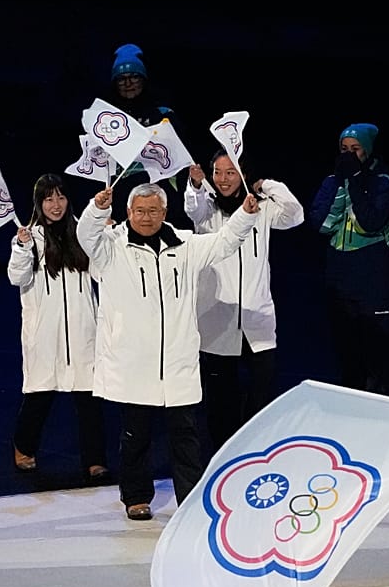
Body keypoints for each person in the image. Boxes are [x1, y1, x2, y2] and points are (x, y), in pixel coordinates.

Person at [77, 183, 259, 520]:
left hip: (177, 360)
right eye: (139, 211)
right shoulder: (112, 247)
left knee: (186, 434)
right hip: (135, 361)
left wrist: (246, 216)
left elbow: (223, 242)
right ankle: (136, 496)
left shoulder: (185, 245)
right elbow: (85, 235)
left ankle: (189, 499)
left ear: (164, 212)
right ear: (129, 213)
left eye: (153, 211)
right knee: (136, 433)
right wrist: (98, 208)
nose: (146, 218)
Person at [184, 152, 304, 452]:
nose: (223, 179)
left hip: (256, 319)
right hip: (217, 320)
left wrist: (267, 186)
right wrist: (196, 185)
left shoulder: (261, 209)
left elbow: (294, 214)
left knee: (261, 395)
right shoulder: (207, 211)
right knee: (220, 401)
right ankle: (223, 455)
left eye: (230, 172)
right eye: (217, 172)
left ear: (243, 175)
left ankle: (256, 452)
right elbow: (193, 209)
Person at [7, 174, 109, 482]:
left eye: (61, 198)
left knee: (89, 399)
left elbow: (101, 270)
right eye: (49, 199)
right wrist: (22, 248)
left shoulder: (82, 233)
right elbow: (17, 277)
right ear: (39, 203)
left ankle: (94, 460)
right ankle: (24, 446)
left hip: (82, 330)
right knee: (39, 395)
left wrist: (106, 236)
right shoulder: (30, 237)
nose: (56, 205)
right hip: (45, 332)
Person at [304, 122, 389, 395]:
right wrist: (340, 184)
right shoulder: (333, 182)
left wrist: (356, 179)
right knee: (348, 360)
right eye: (343, 149)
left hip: (372, 284)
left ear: (367, 151)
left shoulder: (384, 184)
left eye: (355, 149)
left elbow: (371, 222)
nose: (348, 155)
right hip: (340, 283)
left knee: (376, 363)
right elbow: (319, 224)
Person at [105, 43, 184, 222]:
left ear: (144, 79)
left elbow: (180, 163)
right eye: (121, 79)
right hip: (120, 203)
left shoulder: (164, 115)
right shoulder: (106, 119)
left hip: (160, 200)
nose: (128, 84)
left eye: (134, 77)